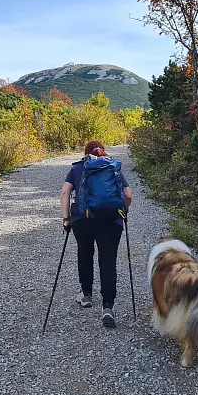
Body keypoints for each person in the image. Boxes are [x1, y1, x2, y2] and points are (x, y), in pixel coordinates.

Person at [60, 140, 133, 328]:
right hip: (111, 220)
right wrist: (122, 212)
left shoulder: (77, 168)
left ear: (85, 154)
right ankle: (108, 307)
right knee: (107, 260)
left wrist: (66, 219)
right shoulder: (112, 167)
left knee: (85, 253)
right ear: (103, 152)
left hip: (82, 220)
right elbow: (128, 195)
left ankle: (86, 296)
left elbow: (65, 192)